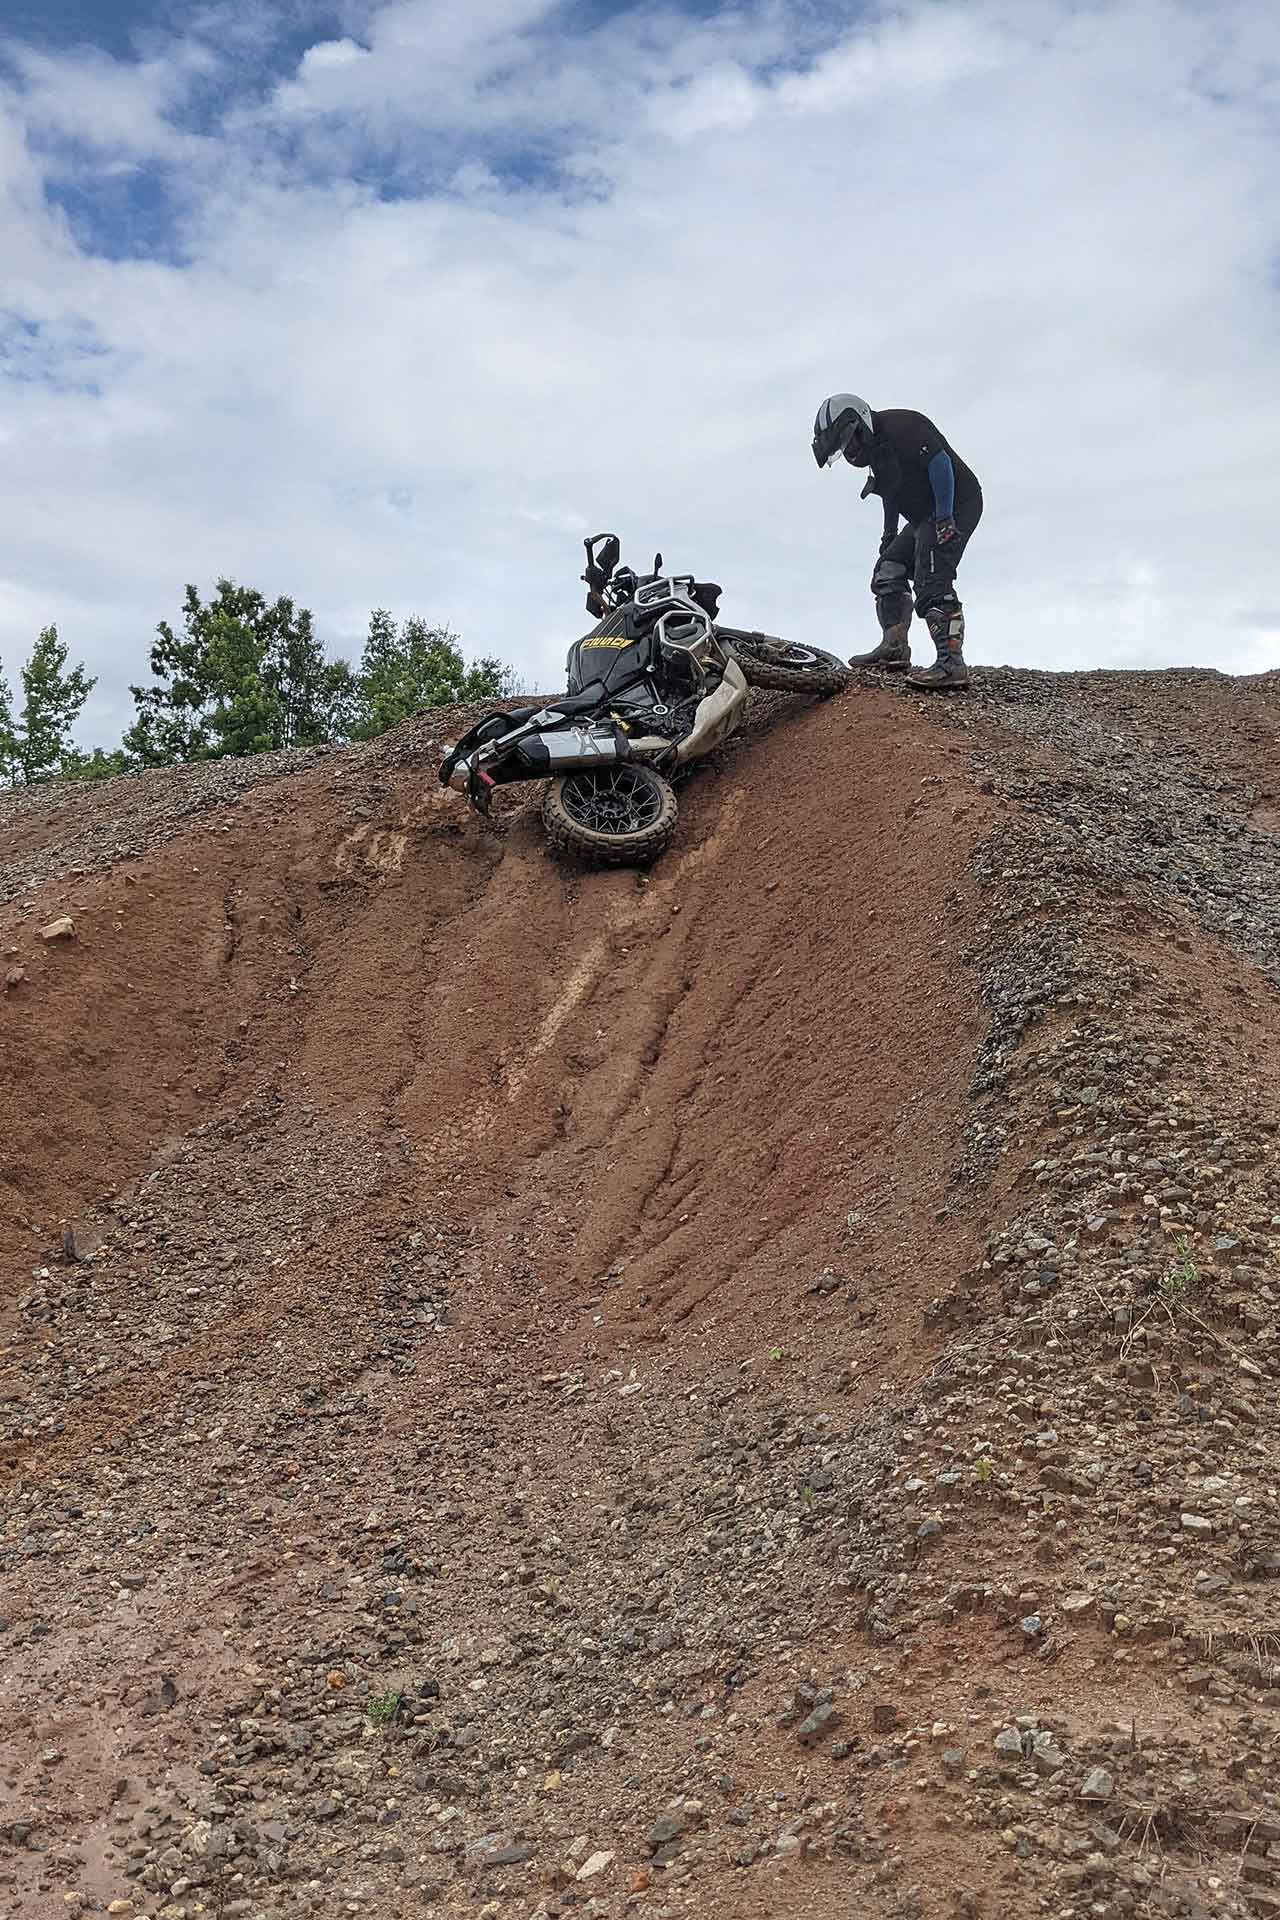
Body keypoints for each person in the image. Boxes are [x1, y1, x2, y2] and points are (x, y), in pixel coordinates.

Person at [811, 394, 982, 690]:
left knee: (932, 581)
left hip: (955, 505)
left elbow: (940, 464)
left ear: (860, 422)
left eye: (849, 442)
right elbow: (890, 491)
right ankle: (894, 647)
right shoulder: (879, 452)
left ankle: (952, 662)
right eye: (842, 449)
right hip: (923, 517)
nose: (850, 452)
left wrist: (944, 517)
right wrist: (888, 537)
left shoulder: (903, 426)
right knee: (888, 568)